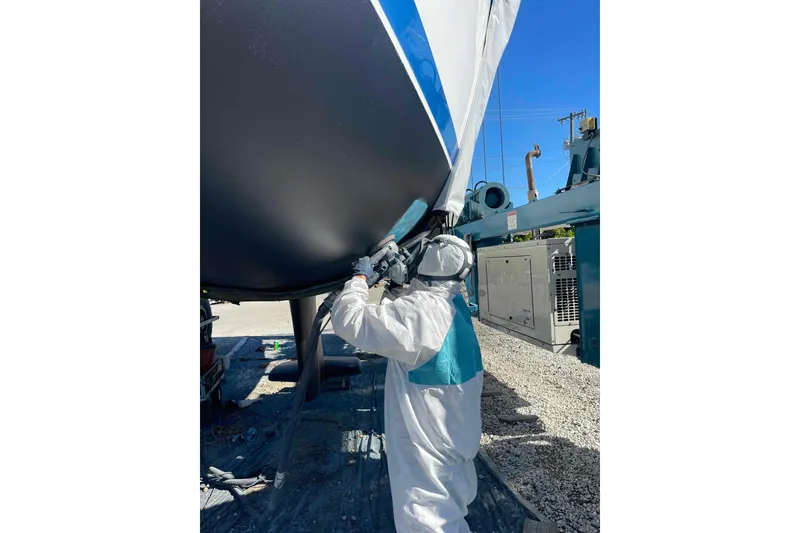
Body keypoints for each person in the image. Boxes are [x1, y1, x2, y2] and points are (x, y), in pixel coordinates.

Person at [330, 234, 483, 533]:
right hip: (455, 435)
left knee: (427, 520)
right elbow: (407, 326)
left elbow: (349, 319)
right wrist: (397, 289)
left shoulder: (422, 313)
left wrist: (359, 279)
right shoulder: (452, 303)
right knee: (450, 509)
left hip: (427, 444)